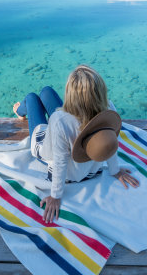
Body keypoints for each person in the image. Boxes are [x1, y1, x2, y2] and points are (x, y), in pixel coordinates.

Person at [13, 64, 140, 223]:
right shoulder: (108, 109)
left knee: (32, 97)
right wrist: (115, 170)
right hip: (91, 171)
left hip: (60, 167)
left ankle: (19, 111)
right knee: (47, 91)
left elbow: (59, 161)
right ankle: (22, 110)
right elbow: (109, 141)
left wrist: (55, 196)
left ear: (71, 94)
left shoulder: (59, 120)